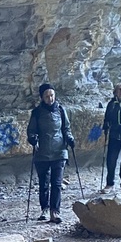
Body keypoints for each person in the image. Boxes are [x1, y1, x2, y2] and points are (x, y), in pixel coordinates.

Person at [27, 83, 75, 224]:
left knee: (57, 183)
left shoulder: (60, 110)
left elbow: (66, 128)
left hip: (59, 151)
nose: (50, 98)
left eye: (52, 95)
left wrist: (70, 138)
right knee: (44, 183)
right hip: (42, 153)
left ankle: (55, 211)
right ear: (42, 97)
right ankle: (45, 208)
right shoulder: (36, 113)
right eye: (47, 96)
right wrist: (32, 139)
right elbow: (31, 131)